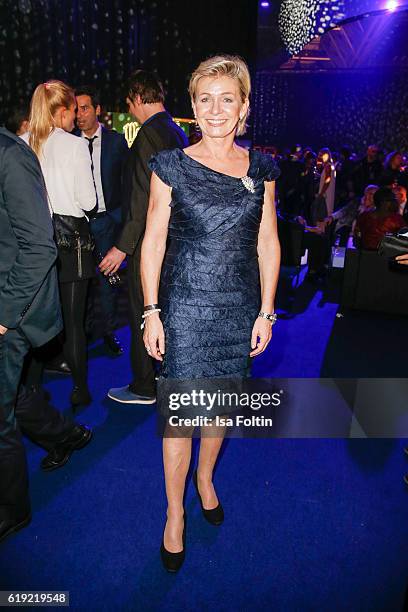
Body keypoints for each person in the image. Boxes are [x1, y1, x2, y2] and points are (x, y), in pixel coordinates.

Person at [141, 55, 281, 571]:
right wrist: (151, 311)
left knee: (220, 407)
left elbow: (268, 242)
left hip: (239, 307)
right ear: (193, 107)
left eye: (228, 98)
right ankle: (174, 513)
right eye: (205, 99)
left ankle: (205, 479)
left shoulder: (263, 169)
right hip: (186, 307)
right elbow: (152, 241)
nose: (216, 109)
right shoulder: (171, 166)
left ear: (244, 105)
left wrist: (267, 312)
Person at [0, 127, 92, 545]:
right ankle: (65, 434)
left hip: (12, 308)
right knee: (15, 395)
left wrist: (3, 317)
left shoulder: (11, 156)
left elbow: (40, 247)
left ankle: (12, 510)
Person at [105, 70, 188, 405]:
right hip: (175, 240)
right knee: (166, 311)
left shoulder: (147, 136)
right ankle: (166, 378)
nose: (131, 109)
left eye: (129, 102)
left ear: (137, 97)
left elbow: (141, 199)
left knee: (145, 309)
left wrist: (122, 248)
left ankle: (143, 386)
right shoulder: (177, 132)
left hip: (149, 242)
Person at [23, 81, 97, 407]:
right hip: (72, 241)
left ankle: (32, 388)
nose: (76, 117)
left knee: (40, 319)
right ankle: (80, 390)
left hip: (33, 242)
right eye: (73, 111)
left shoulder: (21, 143)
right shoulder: (75, 146)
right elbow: (88, 201)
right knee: (74, 321)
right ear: (63, 110)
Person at [75, 85, 129, 355]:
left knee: (109, 281)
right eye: (76, 110)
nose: (79, 114)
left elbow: (126, 182)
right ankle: (82, 334)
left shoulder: (116, 142)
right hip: (78, 225)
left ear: (97, 110)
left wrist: (121, 219)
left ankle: (108, 332)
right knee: (80, 282)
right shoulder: (68, 142)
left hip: (108, 221)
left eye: (85, 108)